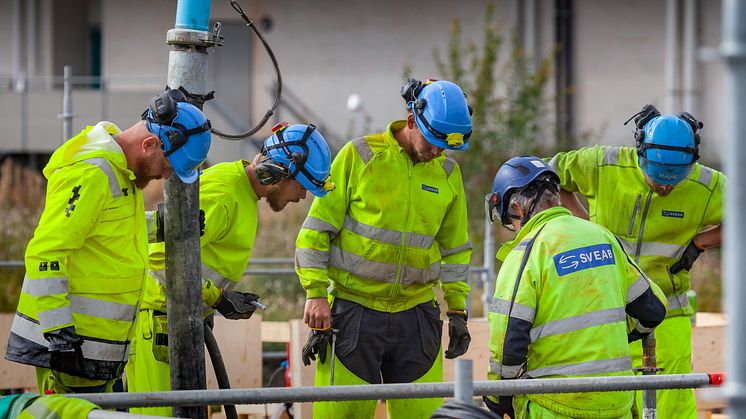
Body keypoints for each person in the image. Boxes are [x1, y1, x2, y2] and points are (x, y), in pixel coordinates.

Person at [5, 89, 212, 394]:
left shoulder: (120, 173)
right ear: (149, 144)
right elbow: (45, 252)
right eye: (167, 166)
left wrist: (167, 226)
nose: (165, 176)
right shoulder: (92, 173)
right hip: (71, 350)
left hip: (98, 350)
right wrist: (59, 330)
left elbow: (109, 232)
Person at [126, 122, 334, 416]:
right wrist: (218, 298)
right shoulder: (225, 194)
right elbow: (160, 259)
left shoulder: (242, 194)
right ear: (277, 171)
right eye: (301, 186)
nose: (301, 197)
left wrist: (213, 302)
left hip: (176, 322)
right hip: (158, 321)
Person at [296, 78, 474, 419]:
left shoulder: (448, 173)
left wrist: (457, 310)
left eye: (446, 145)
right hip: (354, 314)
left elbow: (455, 250)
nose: (439, 151)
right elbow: (316, 231)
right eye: (433, 141)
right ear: (411, 122)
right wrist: (315, 293)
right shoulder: (359, 156)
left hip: (417, 318)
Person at [547, 105, 725, 418]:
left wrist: (700, 243)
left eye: (675, 181)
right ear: (640, 153)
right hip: (604, 311)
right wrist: (585, 228)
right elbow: (550, 175)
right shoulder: (603, 165)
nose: (666, 188)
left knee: (671, 406)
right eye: (659, 180)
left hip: (669, 312)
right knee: (606, 403)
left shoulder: (707, 186)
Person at [483, 156, 667, 419]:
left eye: (509, 222)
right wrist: (605, 335)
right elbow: (653, 309)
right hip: (618, 402)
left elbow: (507, 341)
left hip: (555, 404)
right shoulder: (601, 236)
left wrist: (497, 400)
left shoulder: (527, 253)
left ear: (517, 208)